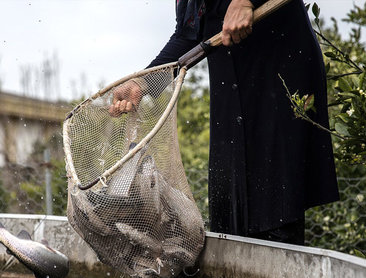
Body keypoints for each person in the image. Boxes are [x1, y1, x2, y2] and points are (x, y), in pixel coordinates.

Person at [111, 0, 339, 245]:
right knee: (230, 202)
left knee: (275, 201)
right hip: (231, 85)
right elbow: (189, 34)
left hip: (278, 72)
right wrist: (143, 82)